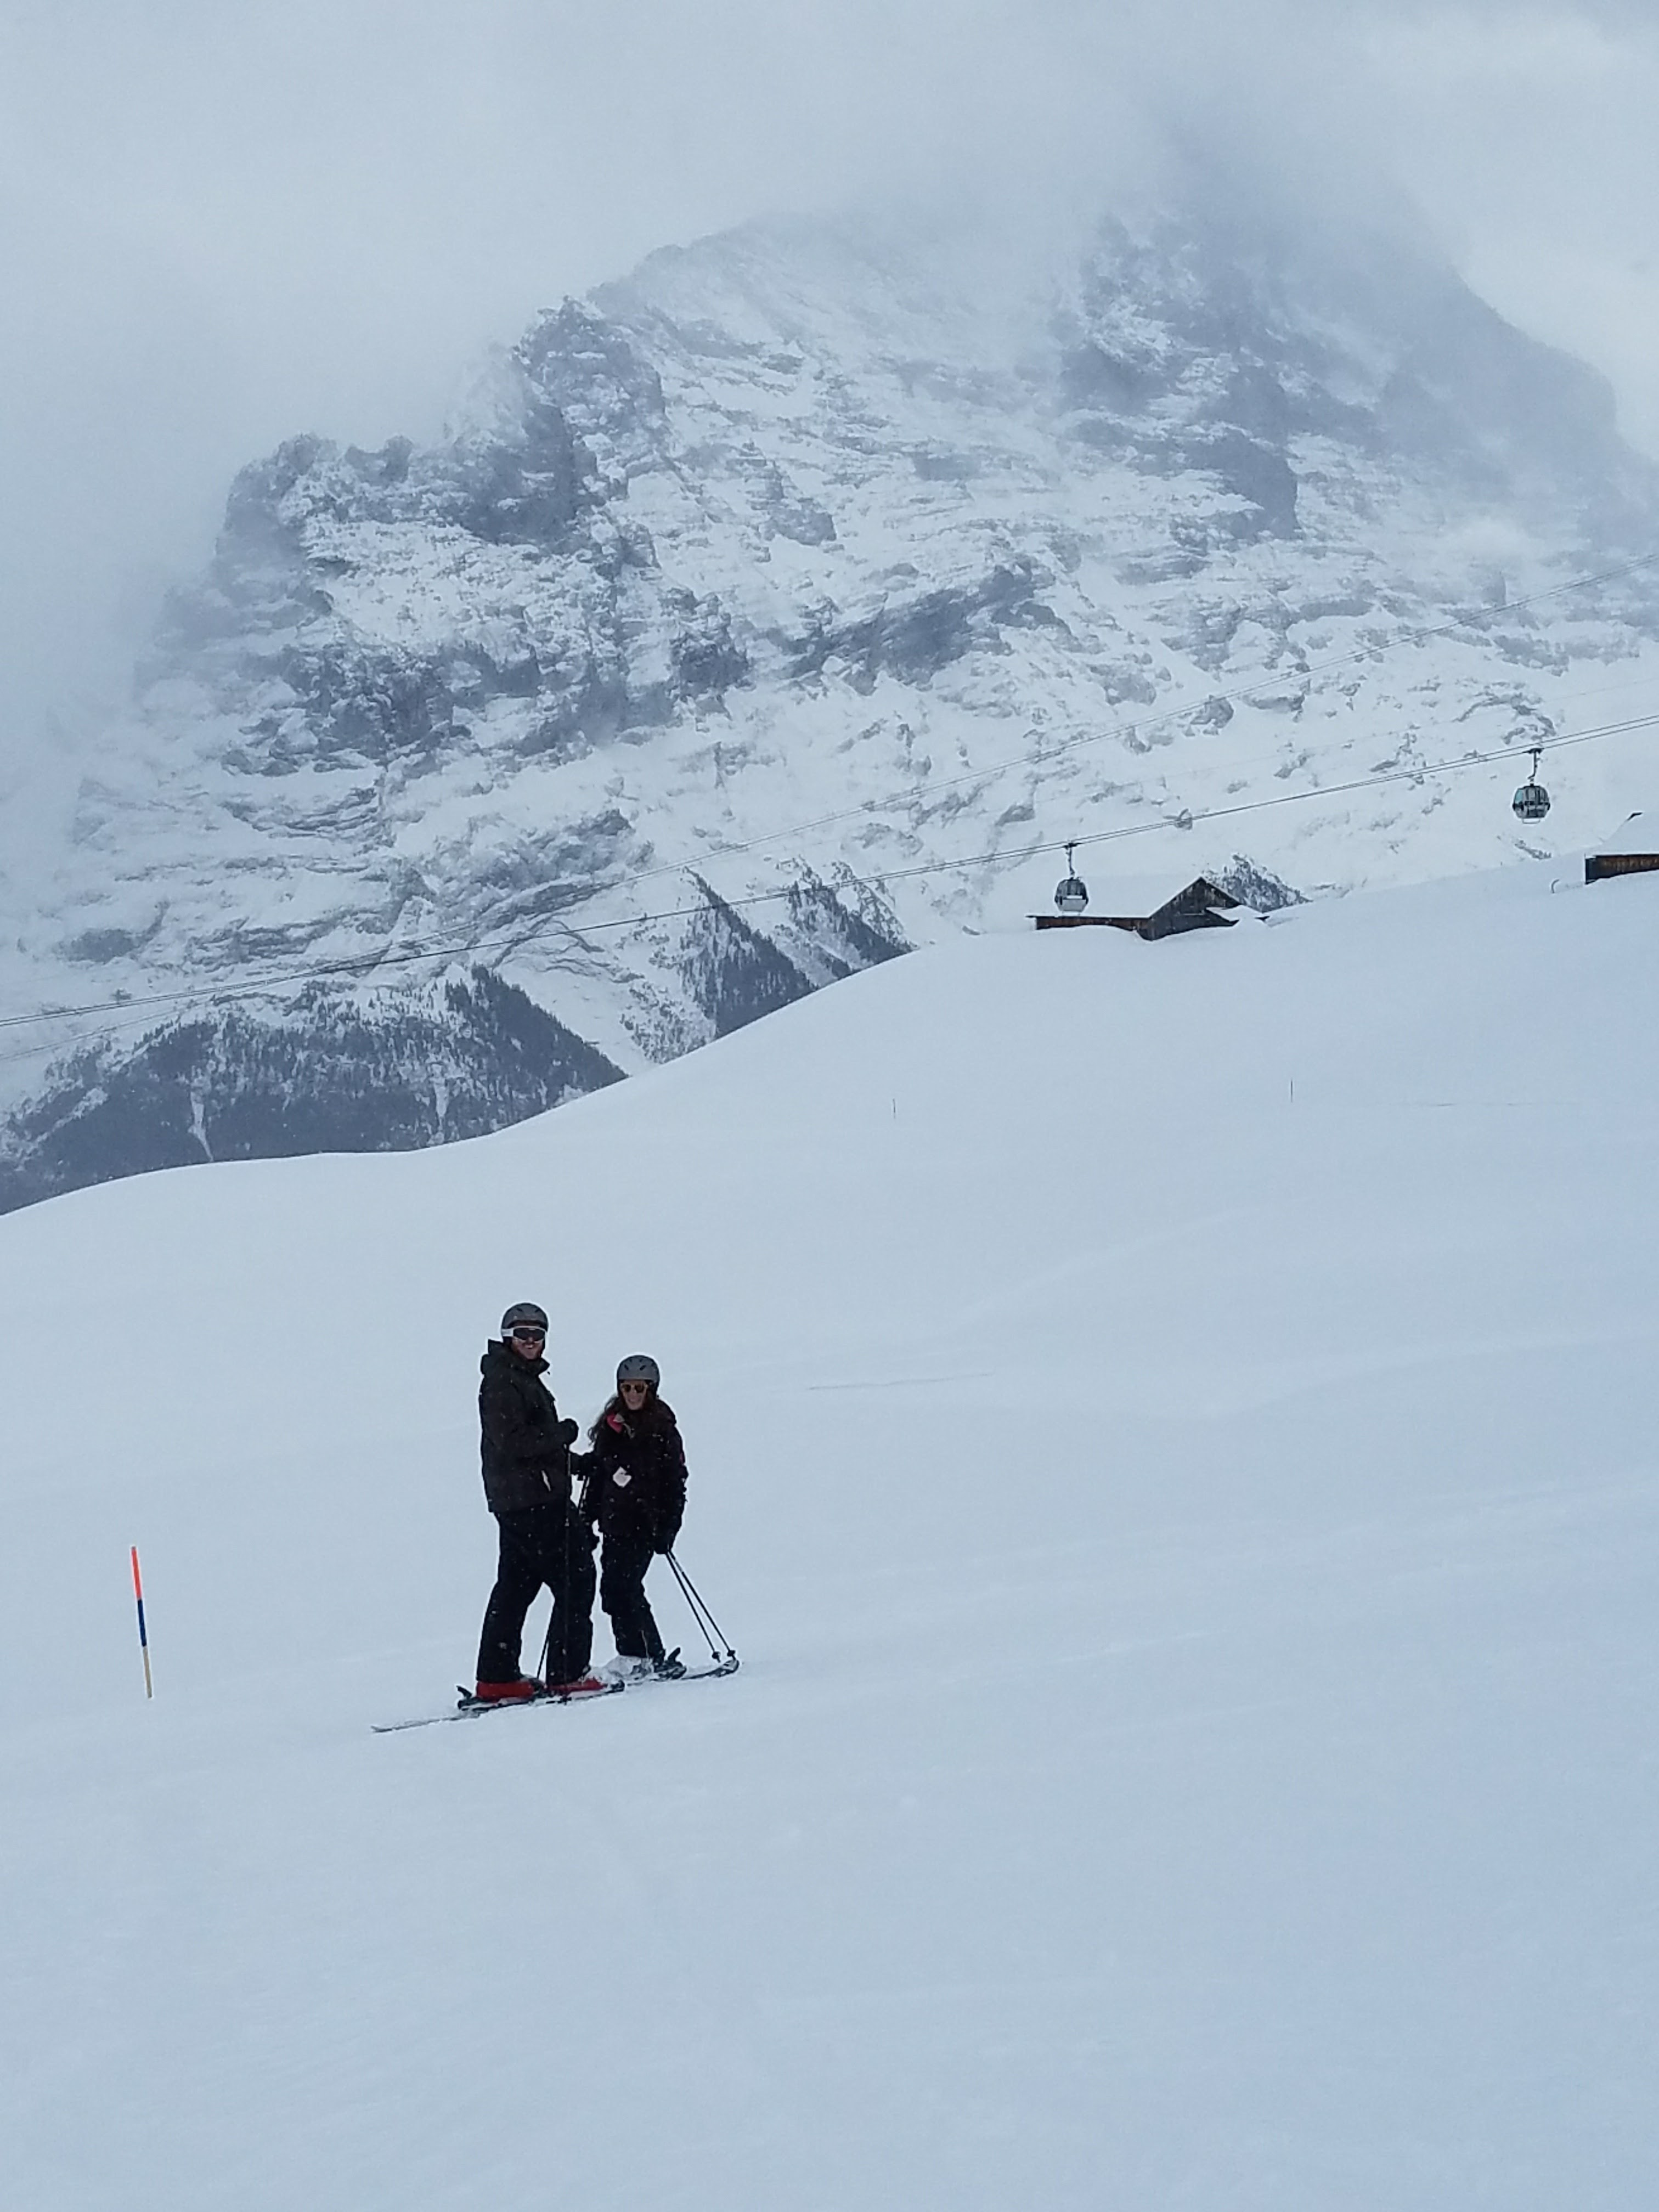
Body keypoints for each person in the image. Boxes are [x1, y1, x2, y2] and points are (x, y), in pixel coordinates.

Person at [474, 1301, 602, 1701]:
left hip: (519, 1500)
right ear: (507, 1338)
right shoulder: (504, 1382)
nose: (531, 1341)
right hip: (534, 1502)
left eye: (537, 1334)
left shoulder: (518, 1378)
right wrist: (563, 1434)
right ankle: (567, 1672)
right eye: (522, 1334)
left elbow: (531, 1450)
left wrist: (576, 1463)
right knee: (576, 1578)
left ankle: (497, 1678)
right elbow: (515, 1444)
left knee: (516, 1586)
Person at [578, 1354, 688, 1680]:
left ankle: (647, 1654)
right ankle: (636, 1654)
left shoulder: (662, 1429)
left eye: (640, 1388)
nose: (633, 1394)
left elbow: (675, 1483)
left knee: (624, 1587)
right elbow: (599, 1477)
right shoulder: (611, 1427)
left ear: (651, 1389)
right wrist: (586, 1518)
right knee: (614, 1590)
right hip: (615, 1523)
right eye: (627, 1388)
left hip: (645, 1523)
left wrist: (669, 1526)